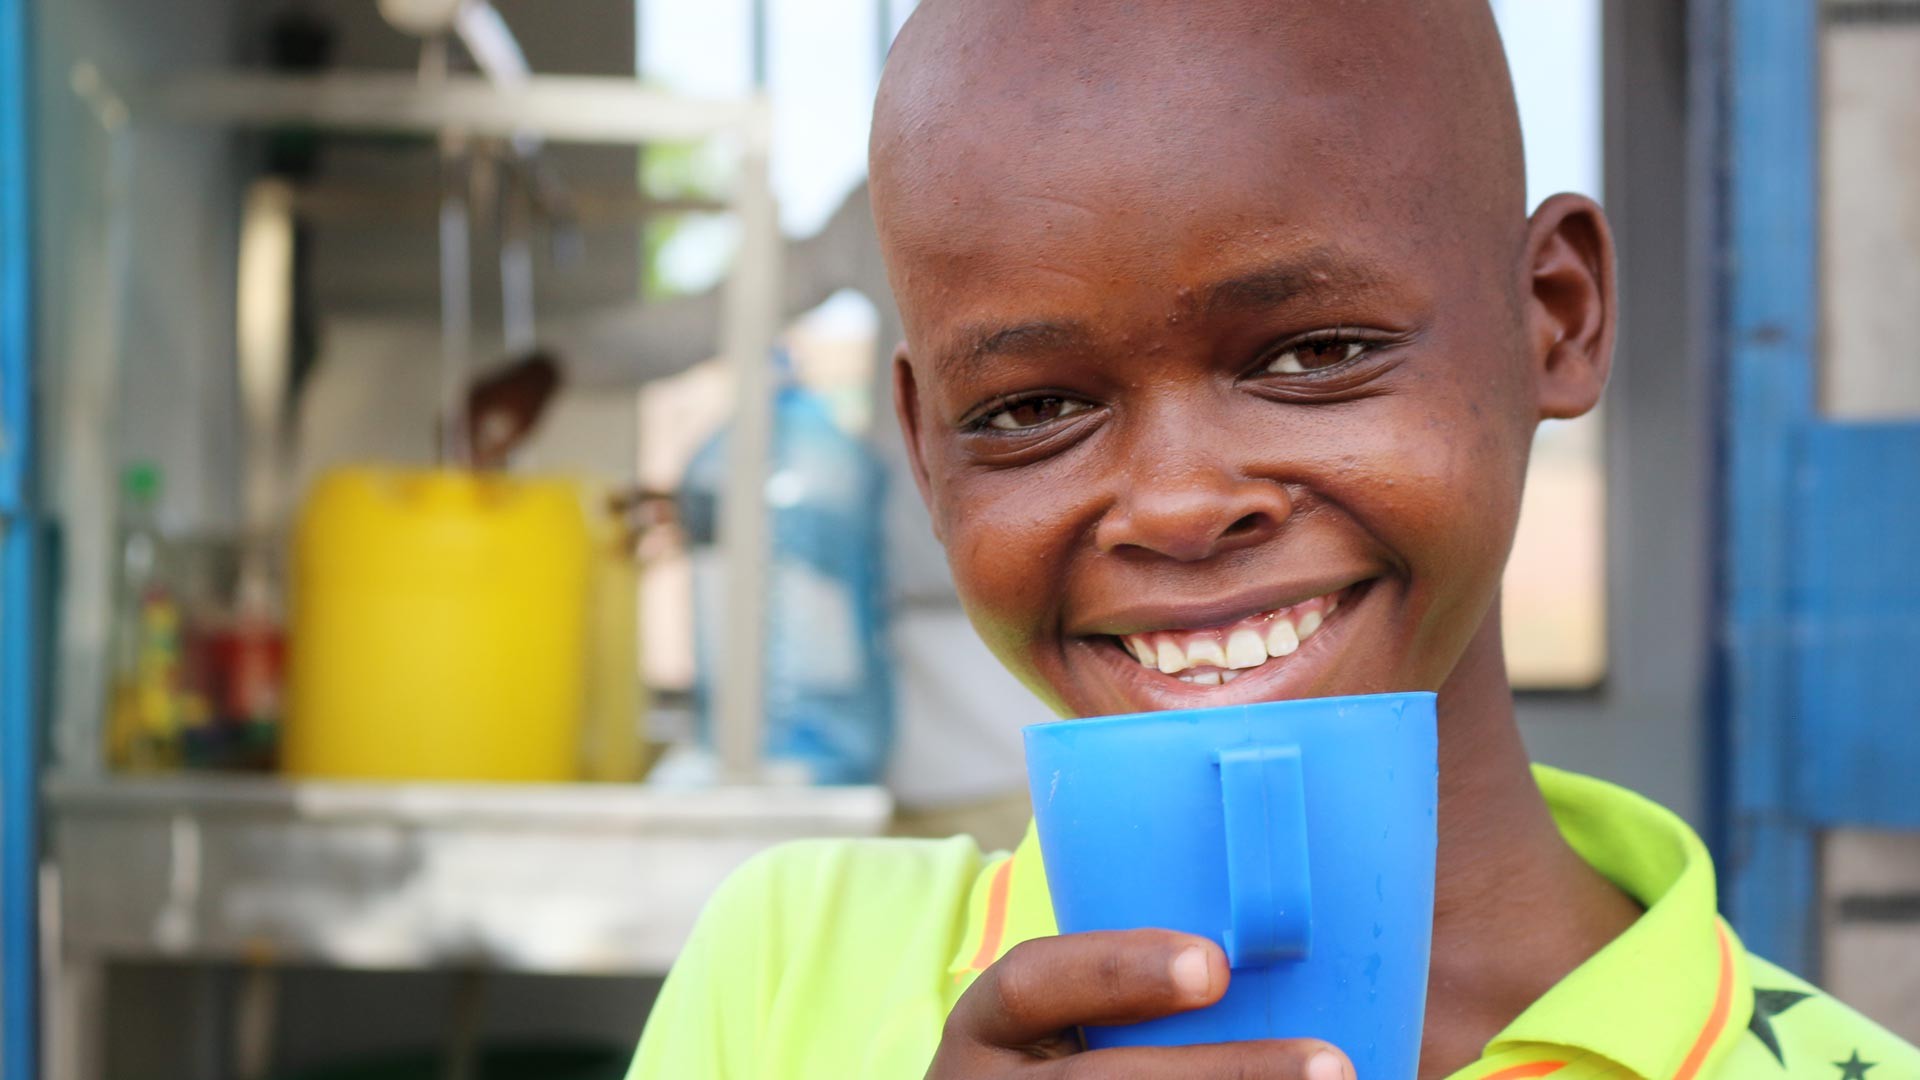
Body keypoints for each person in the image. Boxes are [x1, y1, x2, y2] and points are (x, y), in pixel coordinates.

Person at [627, 1, 1920, 1077]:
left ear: (1555, 318)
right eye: (1033, 410)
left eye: (1318, 353)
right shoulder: (791, 976)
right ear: (925, 445)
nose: (1180, 502)